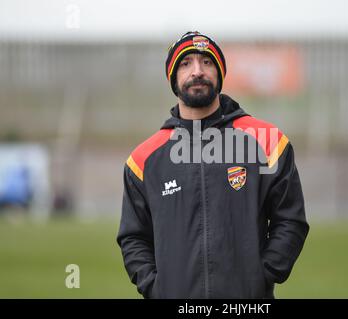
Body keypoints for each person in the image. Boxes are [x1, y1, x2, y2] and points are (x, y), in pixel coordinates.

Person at [117, 31, 309, 299]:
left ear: (219, 73)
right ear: (173, 78)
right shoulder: (143, 160)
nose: (197, 71)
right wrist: (157, 288)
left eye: (207, 62)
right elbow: (133, 237)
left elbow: (290, 220)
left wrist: (259, 277)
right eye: (186, 64)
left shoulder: (267, 142)